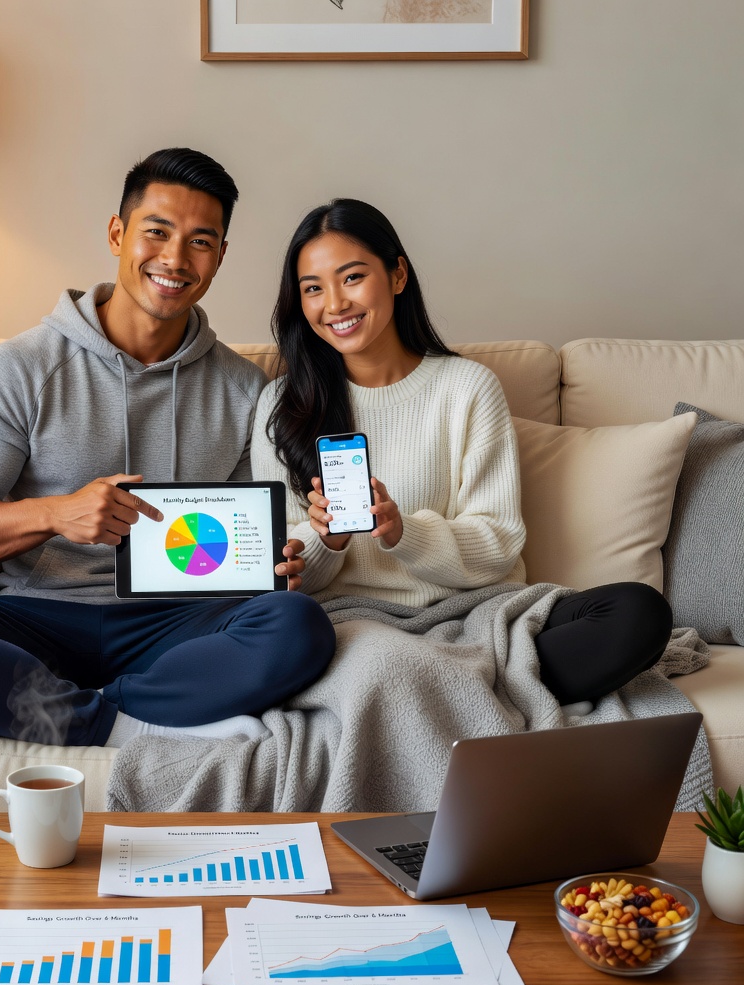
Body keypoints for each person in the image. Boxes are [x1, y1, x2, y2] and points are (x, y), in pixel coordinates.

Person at [0, 148, 335, 748]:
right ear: (117, 232)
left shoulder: (243, 389)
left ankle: (98, 711)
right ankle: (129, 723)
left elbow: (240, 550)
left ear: (220, 257)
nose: (175, 259)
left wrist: (269, 562)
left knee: (299, 625)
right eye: (156, 232)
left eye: (200, 242)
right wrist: (58, 513)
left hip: (176, 626)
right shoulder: (22, 367)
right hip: (39, 620)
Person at [251, 197, 672, 712]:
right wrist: (326, 540)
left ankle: (432, 695)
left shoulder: (466, 388)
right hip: (351, 628)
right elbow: (283, 578)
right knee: (358, 654)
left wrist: (405, 533)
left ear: (398, 275)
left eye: (352, 277)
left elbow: (498, 543)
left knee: (638, 612)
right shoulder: (282, 404)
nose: (334, 303)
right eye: (313, 288)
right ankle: (468, 694)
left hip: (476, 614)